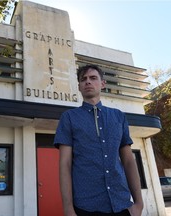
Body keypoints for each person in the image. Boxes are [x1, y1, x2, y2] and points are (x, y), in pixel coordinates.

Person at [54, 64, 143, 216]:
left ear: (102, 84)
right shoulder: (69, 118)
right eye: (83, 79)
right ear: (79, 87)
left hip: (122, 205)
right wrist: (68, 209)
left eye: (93, 78)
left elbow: (128, 161)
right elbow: (65, 164)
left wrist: (139, 204)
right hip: (85, 207)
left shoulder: (119, 116)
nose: (88, 81)